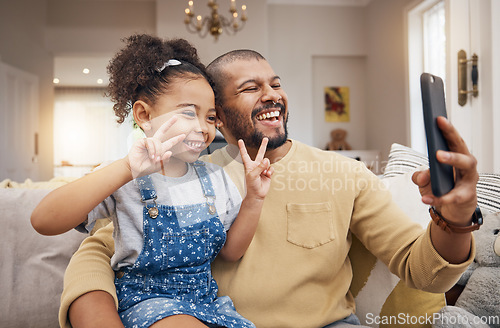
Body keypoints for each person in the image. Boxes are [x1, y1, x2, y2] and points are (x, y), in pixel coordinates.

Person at [58, 49, 479, 328]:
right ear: (216, 118)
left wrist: (456, 221)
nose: (271, 96)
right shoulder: (189, 178)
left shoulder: (344, 174)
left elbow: (424, 271)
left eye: (275, 84)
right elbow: (100, 247)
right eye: (250, 89)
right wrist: (95, 309)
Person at [31, 35, 277, 328]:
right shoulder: (123, 178)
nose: (202, 127)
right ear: (144, 115)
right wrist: (125, 169)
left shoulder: (216, 179)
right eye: (188, 112)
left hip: (206, 304)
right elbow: (43, 220)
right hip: (146, 304)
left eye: (210, 118)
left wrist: (255, 198)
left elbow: (231, 252)